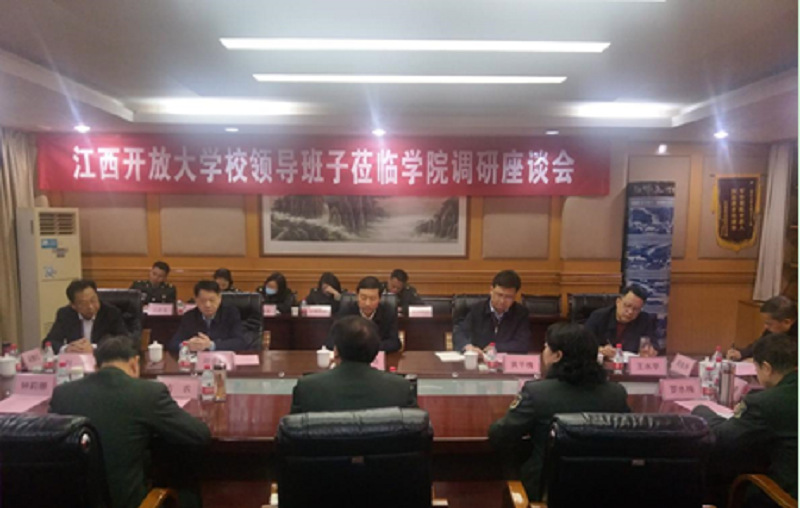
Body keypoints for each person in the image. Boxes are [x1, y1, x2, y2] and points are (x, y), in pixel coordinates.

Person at [49, 336, 211, 508]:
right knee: (184, 479)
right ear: (135, 363)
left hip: (72, 501)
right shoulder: (148, 393)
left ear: (96, 366)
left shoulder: (62, 394)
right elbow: (200, 435)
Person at [488, 322, 630, 501]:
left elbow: (500, 434)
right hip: (603, 492)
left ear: (557, 356)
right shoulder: (616, 394)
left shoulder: (537, 393)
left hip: (546, 494)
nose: (543, 352)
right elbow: (630, 438)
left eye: (546, 347)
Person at [693, 333, 797, 507]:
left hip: (784, 499)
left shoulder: (765, 402)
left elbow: (723, 438)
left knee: (719, 469)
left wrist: (701, 411)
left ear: (766, 368)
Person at [291, 315, 416, 413]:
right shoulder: (401, 389)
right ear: (375, 353)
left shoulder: (307, 388)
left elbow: (292, 432)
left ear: (336, 351)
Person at [453, 270, 531, 354]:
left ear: (515, 296)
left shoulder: (520, 313)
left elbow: (523, 344)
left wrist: (496, 347)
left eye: (508, 297)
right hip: (479, 358)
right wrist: (468, 347)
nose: (502, 301)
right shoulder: (477, 309)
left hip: (504, 359)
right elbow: (459, 333)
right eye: (499, 295)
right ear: (491, 290)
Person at [43, 279, 129, 353]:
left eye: (93, 300)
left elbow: (124, 341)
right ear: (73, 305)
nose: (90, 307)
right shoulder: (65, 314)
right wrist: (67, 348)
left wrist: (94, 348)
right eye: (84, 303)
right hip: (76, 362)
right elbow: (49, 342)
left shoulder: (111, 313)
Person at [325, 276, 401, 353]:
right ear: (357, 296)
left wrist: (367, 348)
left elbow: (395, 343)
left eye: (372, 299)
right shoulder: (347, 311)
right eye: (363, 298)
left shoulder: (388, 312)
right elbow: (330, 341)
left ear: (379, 299)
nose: (367, 303)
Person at [168, 280, 247, 352]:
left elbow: (240, 342)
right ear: (196, 300)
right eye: (203, 301)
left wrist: (210, 345)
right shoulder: (189, 316)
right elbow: (173, 343)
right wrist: (187, 345)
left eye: (212, 300)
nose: (207, 305)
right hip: (197, 360)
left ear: (219, 298)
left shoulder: (230, 314)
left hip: (221, 360)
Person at [584, 284, 658, 358]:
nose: (630, 312)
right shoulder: (599, 317)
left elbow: (654, 345)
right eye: (627, 305)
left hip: (630, 363)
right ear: (618, 301)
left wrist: (651, 351)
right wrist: (600, 349)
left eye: (636, 309)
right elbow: (584, 343)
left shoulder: (645, 320)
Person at [727, 296, 797, 361]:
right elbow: (760, 345)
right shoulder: (772, 330)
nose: (765, 326)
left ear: (787, 322)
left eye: (769, 323)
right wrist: (741, 354)